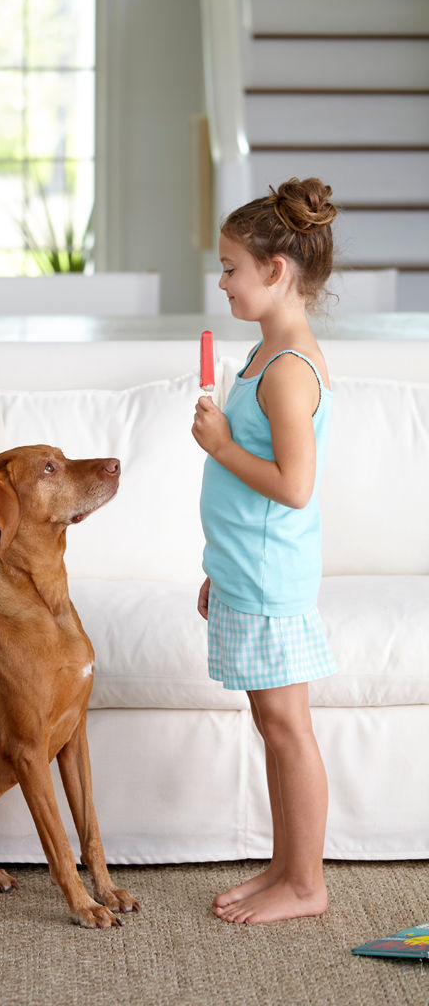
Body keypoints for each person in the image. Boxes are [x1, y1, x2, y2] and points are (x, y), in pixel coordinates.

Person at [192, 177, 338, 925]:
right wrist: (219, 571)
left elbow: (294, 486)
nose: (221, 283)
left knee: (288, 731)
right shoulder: (266, 349)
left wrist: (219, 446)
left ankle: (307, 885)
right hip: (247, 573)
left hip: (273, 581)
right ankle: (287, 865)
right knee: (271, 728)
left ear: (275, 271)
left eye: (230, 268)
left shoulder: (286, 370)